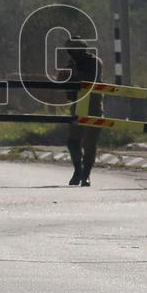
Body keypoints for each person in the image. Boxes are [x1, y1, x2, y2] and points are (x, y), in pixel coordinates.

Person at [58, 37, 103, 187]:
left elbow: (91, 80)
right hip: (77, 105)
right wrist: (64, 75)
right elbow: (62, 82)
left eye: (73, 50)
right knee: (73, 141)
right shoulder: (72, 63)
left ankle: (86, 174)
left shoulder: (94, 62)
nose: (71, 53)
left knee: (90, 143)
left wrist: (74, 72)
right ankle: (78, 169)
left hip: (93, 106)